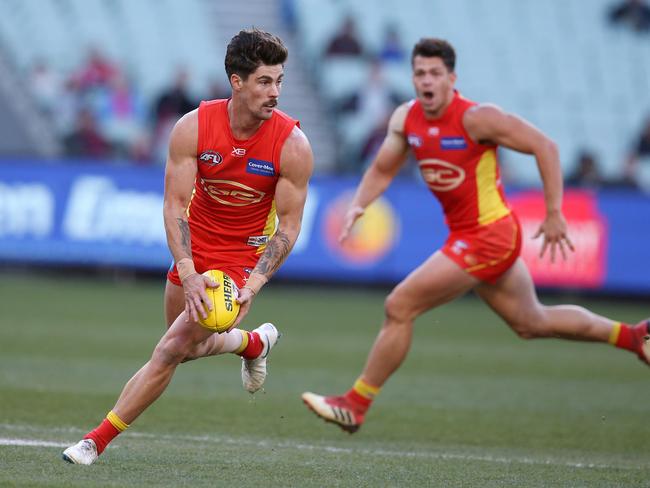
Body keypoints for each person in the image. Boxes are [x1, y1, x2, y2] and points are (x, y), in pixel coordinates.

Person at [302, 38, 649, 433]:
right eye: (419, 73)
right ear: (412, 77)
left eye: (435, 73)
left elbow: (545, 146)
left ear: (452, 78)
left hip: (490, 236)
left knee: (400, 305)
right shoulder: (406, 118)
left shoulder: (477, 119)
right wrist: (358, 203)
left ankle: (355, 404)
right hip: (472, 237)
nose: (426, 81)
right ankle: (634, 336)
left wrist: (554, 213)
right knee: (530, 322)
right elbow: (383, 169)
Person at [62, 28, 314, 464]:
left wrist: (252, 285)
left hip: (242, 257)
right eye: (264, 82)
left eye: (279, 81)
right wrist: (189, 269)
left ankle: (93, 441)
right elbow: (175, 205)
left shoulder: (292, 145)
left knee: (169, 349)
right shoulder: (193, 128)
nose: (275, 92)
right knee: (187, 347)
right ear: (237, 82)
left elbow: (288, 227)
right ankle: (251, 344)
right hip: (195, 247)